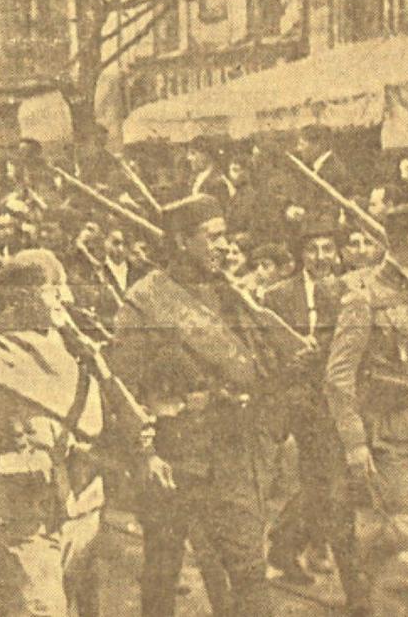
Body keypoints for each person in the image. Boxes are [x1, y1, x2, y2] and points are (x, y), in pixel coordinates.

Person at [0, 249, 154, 617]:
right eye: (53, 289)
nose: (66, 296)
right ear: (20, 297)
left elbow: (111, 423)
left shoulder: (81, 351)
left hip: (83, 506)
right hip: (24, 512)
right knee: (39, 609)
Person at [112, 194, 282, 616]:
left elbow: (257, 367)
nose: (224, 246)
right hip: (175, 458)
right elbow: (123, 388)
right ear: (182, 241)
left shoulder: (230, 293)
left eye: (225, 236)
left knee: (248, 569)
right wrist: (145, 453)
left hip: (231, 452)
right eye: (213, 237)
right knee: (163, 570)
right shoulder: (144, 301)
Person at [325, 202, 408, 516]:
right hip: (385, 435)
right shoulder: (364, 297)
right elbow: (338, 375)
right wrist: (355, 442)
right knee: (407, 529)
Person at [261, 216, 366, 609]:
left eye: (327, 249)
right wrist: (291, 364)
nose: (321, 257)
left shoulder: (349, 292)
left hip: (340, 402)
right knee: (333, 489)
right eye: (312, 249)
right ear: (300, 254)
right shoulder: (277, 296)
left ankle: (283, 545)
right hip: (300, 405)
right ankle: (357, 592)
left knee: (325, 487)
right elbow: (266, 353)